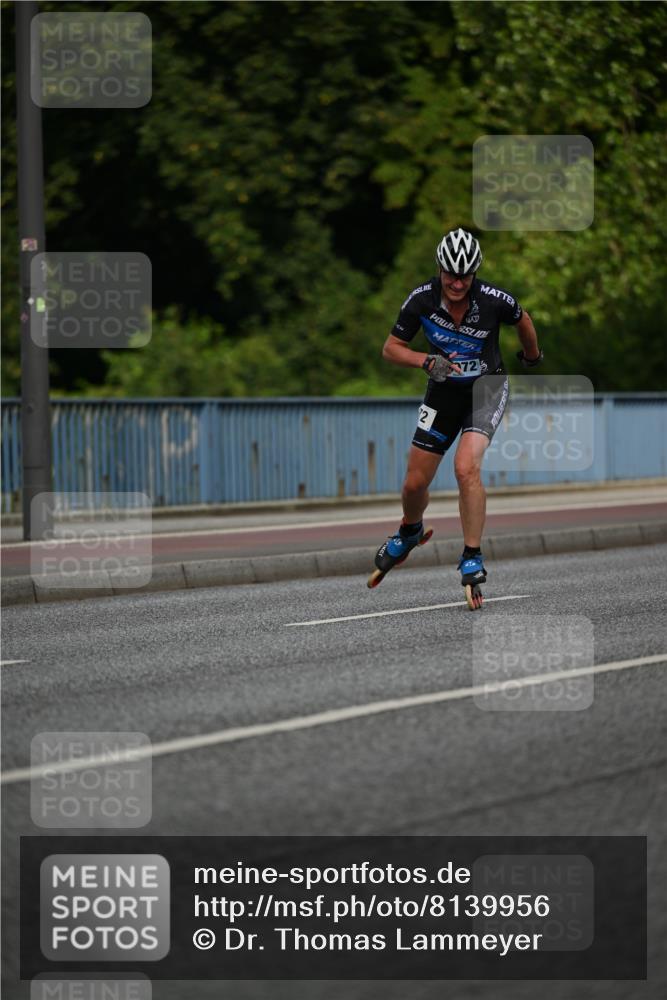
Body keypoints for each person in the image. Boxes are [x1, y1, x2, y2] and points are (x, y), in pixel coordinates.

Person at [372, 227, 543, 602]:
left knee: (466, 467)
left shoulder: (495, 299)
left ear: (475, 273)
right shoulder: (421, 300)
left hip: (486, 390)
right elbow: (391, 348)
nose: (456, 282)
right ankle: (409, 531)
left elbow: (523, 320)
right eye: (450, 273)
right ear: (440, 269)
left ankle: (471, 555)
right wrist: (424, 360)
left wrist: (532, 356)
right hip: (442, 393)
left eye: (465, 275)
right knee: (414, 484)